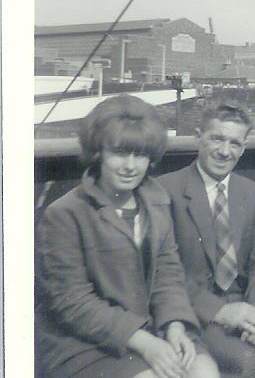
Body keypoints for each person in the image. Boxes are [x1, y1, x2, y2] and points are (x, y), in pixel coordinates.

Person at [37, 94, 219, 378]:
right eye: (120, 153)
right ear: (98, 153)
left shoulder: (157, 202)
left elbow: (167, 276)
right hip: (86, 343)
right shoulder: (66, 213)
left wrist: (175, 325)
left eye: (141, 155)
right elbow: (73, 303)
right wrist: (146, 344)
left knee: (204, 371)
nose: (131, 166)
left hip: (153, 327)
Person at [158, 101, 255, 378]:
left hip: (250, 304)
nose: (224, 151)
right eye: (216, 138)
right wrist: (221, 311)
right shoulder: (167, 191)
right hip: (201, 309)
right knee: (243, 365)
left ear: (243, 147)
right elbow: (165, 272)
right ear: (198, 137)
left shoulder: (250, 193)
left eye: (234, 143)